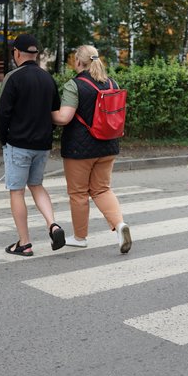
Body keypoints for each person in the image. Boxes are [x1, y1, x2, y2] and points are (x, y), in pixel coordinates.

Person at [51, 45, 132, 254]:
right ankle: (119, 225)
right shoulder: (112, 82)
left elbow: (64, 117)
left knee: (78, 193)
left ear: (78, 62)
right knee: (102, 189)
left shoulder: (74, 85)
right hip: (108, 145)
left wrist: (46, 113)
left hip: (80, 150)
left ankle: (80, 237)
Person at [0, 34, 67, 256]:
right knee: (36, 185)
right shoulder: (48, 79)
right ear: (35, 55)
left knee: (17, 191)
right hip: (42, 145)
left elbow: (2, 115)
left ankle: (24, 243)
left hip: (18, 144)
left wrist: (3, 140)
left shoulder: (13, 78)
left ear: (16, 53)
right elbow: (54, 112)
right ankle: (53, 224)